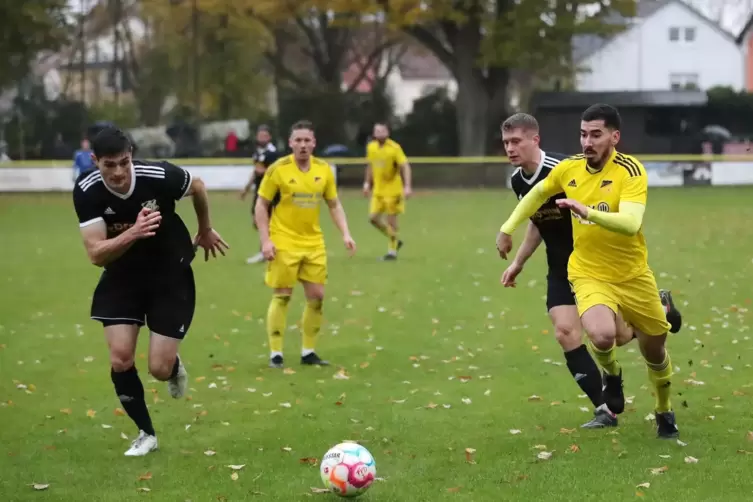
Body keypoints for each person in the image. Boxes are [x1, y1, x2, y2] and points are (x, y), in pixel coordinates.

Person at [496, 104, 680, 438]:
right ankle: (606, 398)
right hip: (578, 267)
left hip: (625, 268)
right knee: (588, 333)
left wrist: (587, 212)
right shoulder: (550, 174)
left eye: (595, 134)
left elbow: (630, 223)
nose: (587, 142)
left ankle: (664, 403)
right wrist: (511, 241)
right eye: (583, 134)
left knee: (637, 343)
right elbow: (538, 210)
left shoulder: (622, 170)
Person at [72, 126, 228, 456]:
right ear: (94, 160)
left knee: (158, 368)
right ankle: (146, 433)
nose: (118, 172)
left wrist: (205, 228)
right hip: (122, 277)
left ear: (132, 155)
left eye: (124, 162)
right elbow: (95, 253)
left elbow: (197, 186)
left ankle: (171, 367)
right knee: (120, 358)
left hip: (169, 274)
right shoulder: (86, 190)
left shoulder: (158, 175)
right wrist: (135, 232)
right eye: (109, 164)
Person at [255, 120, 356, 369]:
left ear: (314, 143)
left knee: (317, 297)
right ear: (290, 143)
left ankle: (308, 352)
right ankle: (276, 354)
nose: (302, 145)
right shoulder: (278, 169)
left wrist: (346, 233)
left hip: (313, 242)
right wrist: (266, 241)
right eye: (298, 140)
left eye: (307, 140)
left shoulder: (323, 170)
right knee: (282, 296)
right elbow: (261, 205)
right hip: (284, 240)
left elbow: (334, 204)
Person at [363, 122, 412, 260]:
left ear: (387, 133)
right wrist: (367, 183)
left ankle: (392, 252)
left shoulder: (394, 148)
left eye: (382, 131)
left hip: (393, 190)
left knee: (391, 220)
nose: (379, 133)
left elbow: (405, 166)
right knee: (373, 219)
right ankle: (395, 239)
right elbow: (370, 166)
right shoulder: (371, 147)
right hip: (378, 191)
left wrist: (407, 186)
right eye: (377, 131)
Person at [241, 125, 280, 264]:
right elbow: (256, 171)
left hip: (270, 192)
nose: (261, 138)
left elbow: (276, 172)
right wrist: (246, 188)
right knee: (258, 220)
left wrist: (263, 171)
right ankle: (268, 248)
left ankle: (265, 251)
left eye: (264, 135)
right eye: (260, 135)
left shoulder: (273, 152)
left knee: (265, 220)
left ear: (269, 137)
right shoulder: (258, 152)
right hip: (259, 191)